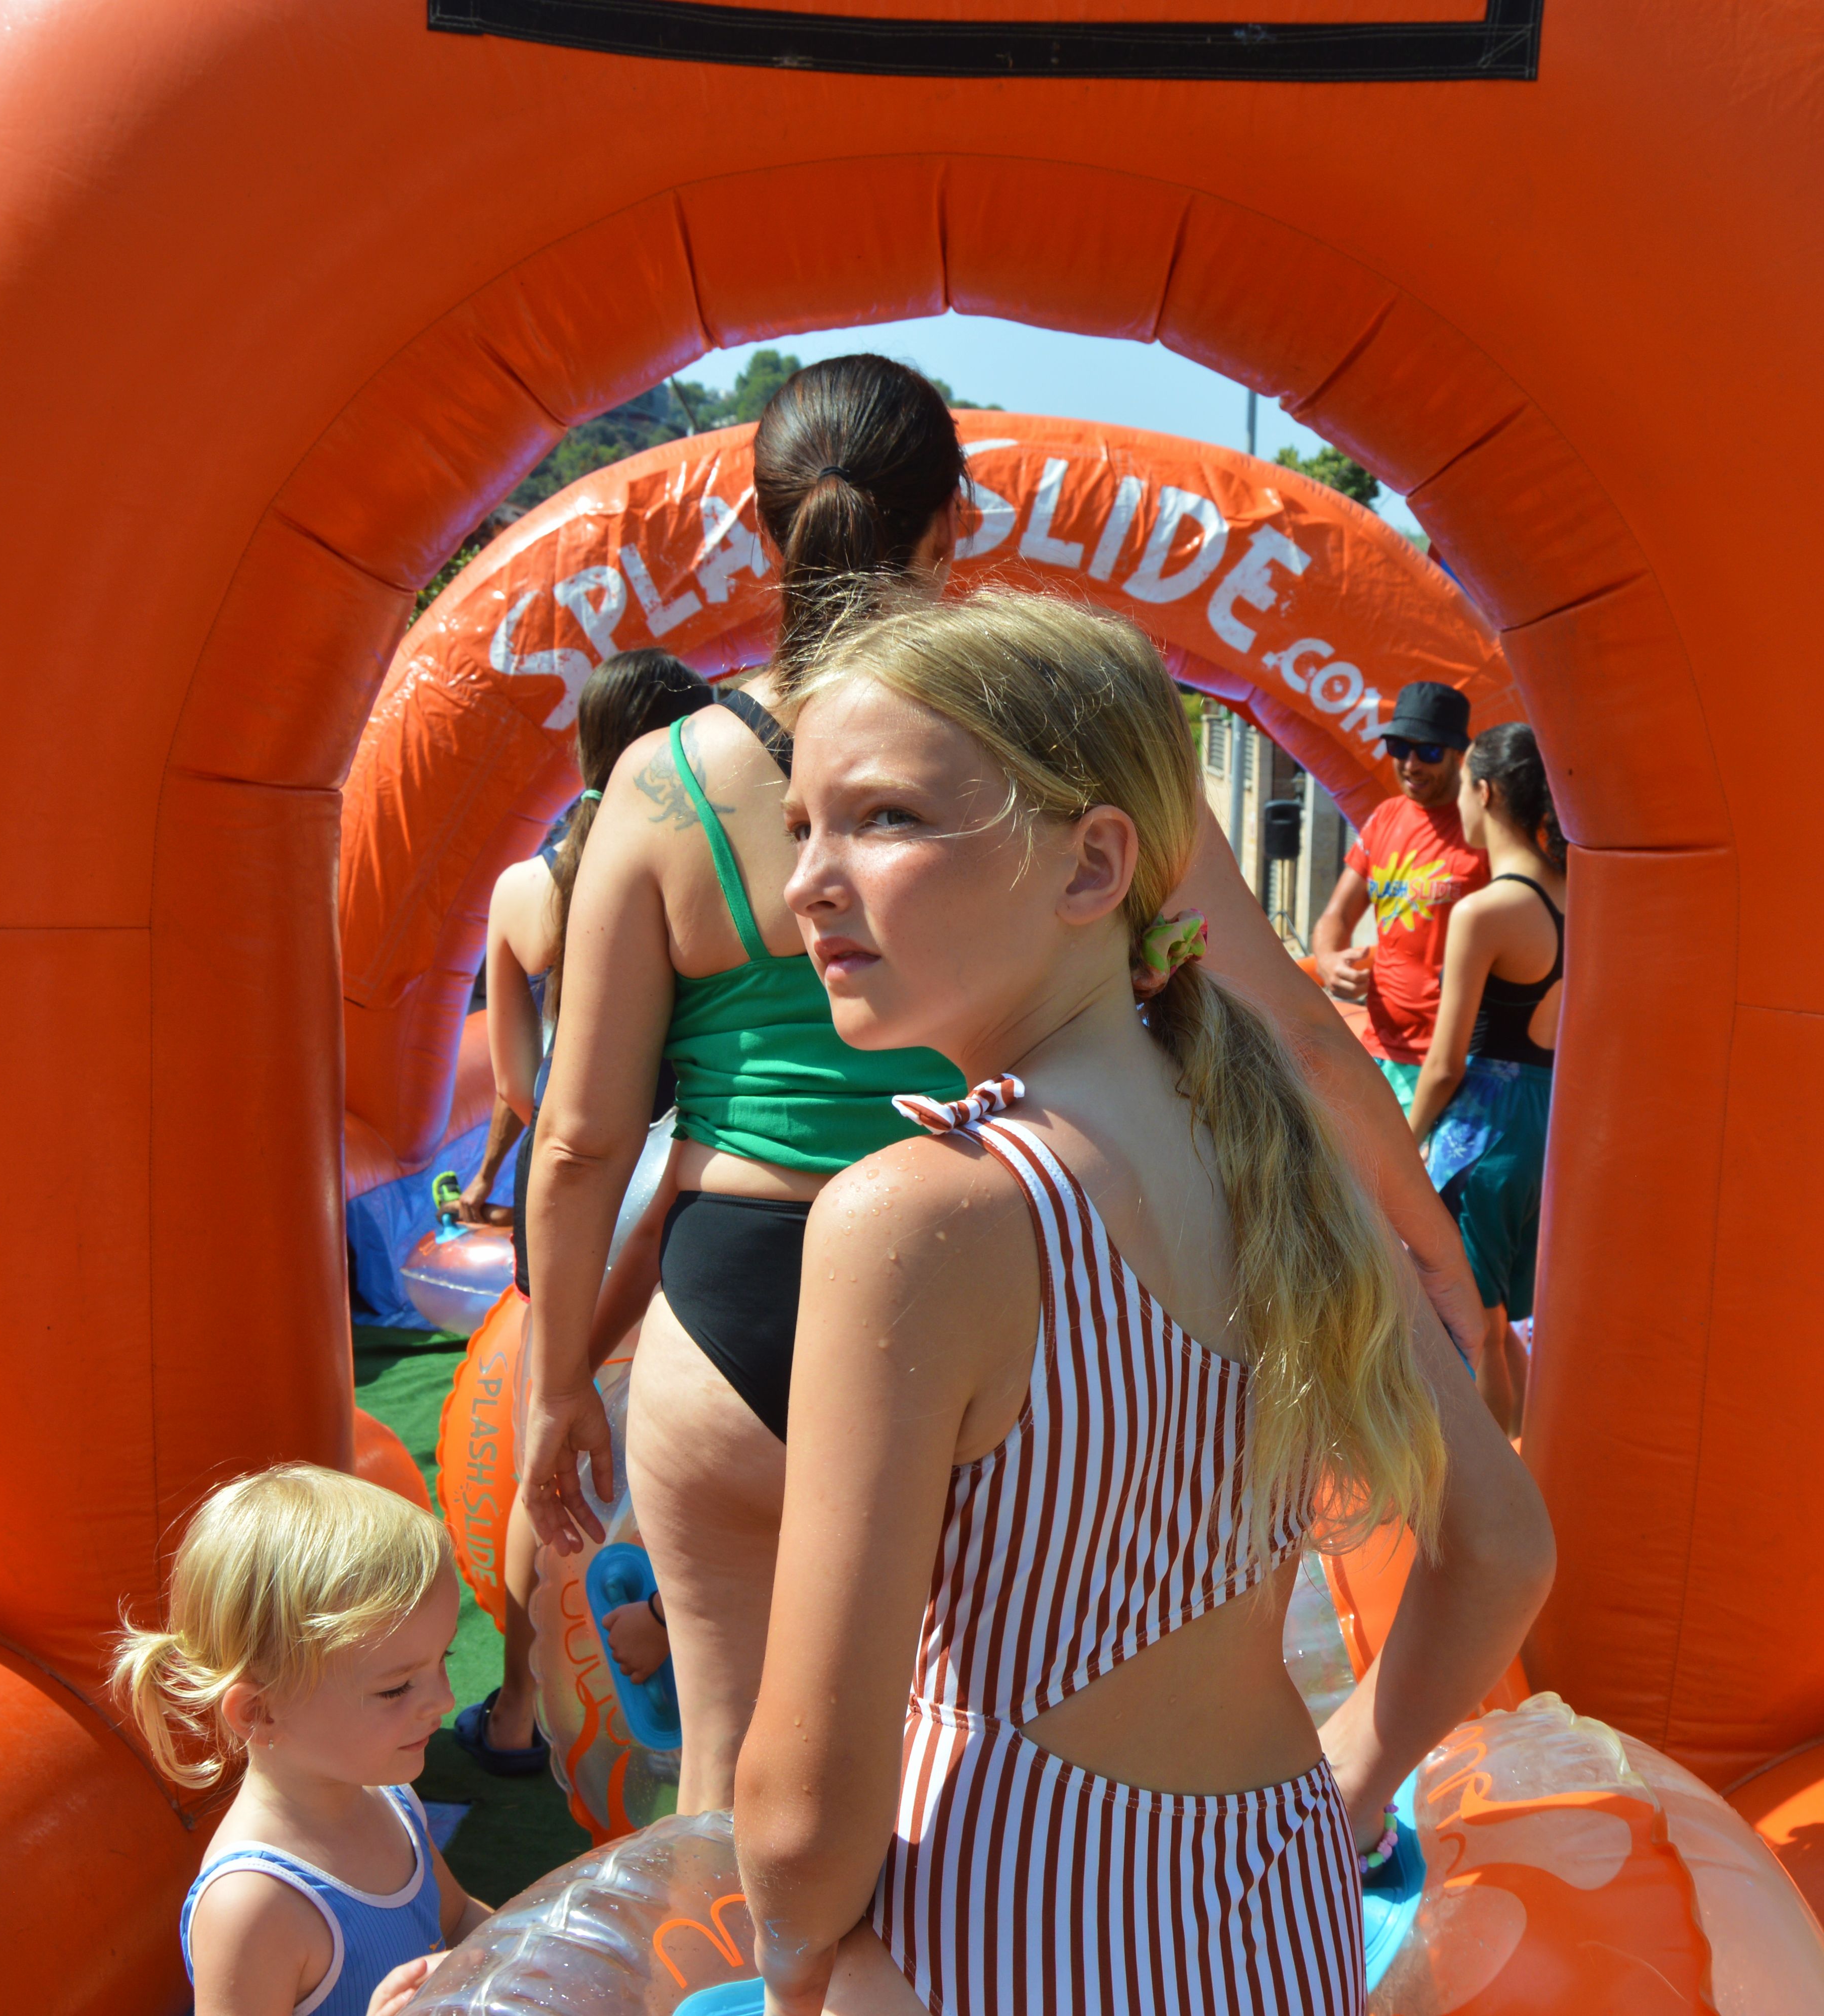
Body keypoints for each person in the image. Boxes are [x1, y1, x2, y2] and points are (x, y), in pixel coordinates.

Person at [523, 355, 1513, 1813]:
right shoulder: (1050, 737)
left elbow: (584, 1136)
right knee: (1040, 1756)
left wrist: (555, 1386)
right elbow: (1295, 1031)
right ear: (956, 519)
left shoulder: (669, 781)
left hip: (736, 1300)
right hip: (1031, 1288)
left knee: (737, 1792)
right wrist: (1431, 1248)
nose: (823, 884)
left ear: (764, 521)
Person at [735, 592, 1552, 2015]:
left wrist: (804, 1968)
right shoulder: (1294, 1172)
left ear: (1093, 862)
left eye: (881, 820)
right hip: (1276, 1906)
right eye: (800, 824)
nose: (807, 880)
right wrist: (1351, 1780)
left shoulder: (921, 1221)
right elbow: (1502, 1547)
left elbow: (805, 1809)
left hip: (990, 1925)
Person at [449, 647, 708, 1778]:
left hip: (572, 1199)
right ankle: (683, 1692)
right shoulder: (703, 858)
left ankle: (514, 1710)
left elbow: (520, 1086)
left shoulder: (525, 888)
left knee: (547, 1463)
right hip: (682, 1184)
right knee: (695, 1446)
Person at [112, 1464, 490, 2016]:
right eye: (396, 1688)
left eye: (444, 1659)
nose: (443, 1700)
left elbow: (455, 1918)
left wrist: (523, 1948)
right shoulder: (254, 1905)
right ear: (261, 1712)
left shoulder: (391, 1800)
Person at [1403, 722, 1566, 1436]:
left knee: (1475, 1328)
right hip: (1550, 1123)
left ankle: (1498, 1488)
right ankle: (1536, 1465)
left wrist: (1404, 1141)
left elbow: (1444, 1066)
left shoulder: (1486, 911)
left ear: (1486, 790)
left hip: (1485, 1132)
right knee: (1502, 1325)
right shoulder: (1582, 896)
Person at [1310, 682, 1488, 1111]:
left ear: (1456, 754)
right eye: (1399, 746)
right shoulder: (1385, 817)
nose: (1411, 764)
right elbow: (1336, 915)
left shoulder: (1484, 829)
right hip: (1381, 1047)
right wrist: (1329, 960)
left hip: (1456, 1059)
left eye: (1428, 752)